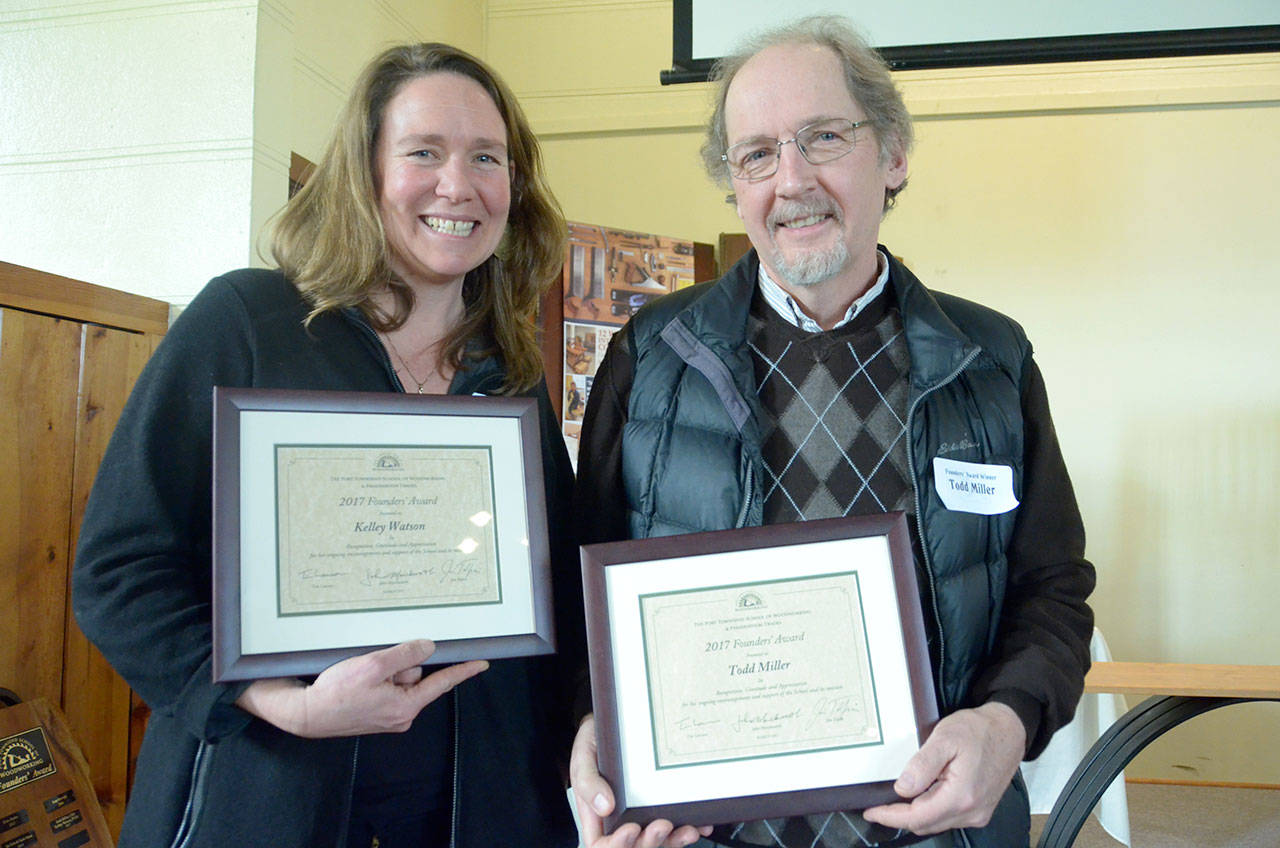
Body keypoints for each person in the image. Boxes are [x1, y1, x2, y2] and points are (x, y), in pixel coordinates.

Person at [569, 16, 1094, 848]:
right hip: (704, 835)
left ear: (892, 155)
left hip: (940, 833)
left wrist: (1007, 721)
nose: (792, 179)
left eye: (823, 137)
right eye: (757, 154)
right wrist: (592, 728)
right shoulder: (650, 357)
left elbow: (1055, 590)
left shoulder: (991, 359)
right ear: (734, 182)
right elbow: (583, 592)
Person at [72, 43, 583, 848]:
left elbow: (557, 588)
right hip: (267, 796)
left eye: (487, 157)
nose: (458, 185)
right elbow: (118, 569)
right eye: (424, 153)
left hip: (478, 807)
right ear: (366, 170)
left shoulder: (509, 371)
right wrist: (278, 702)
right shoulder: (247, 322)